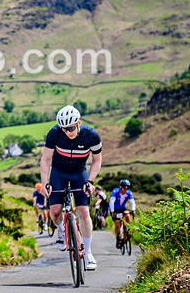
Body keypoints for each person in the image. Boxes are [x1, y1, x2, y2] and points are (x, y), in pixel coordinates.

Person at [39, 105, 103, 270]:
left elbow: (97, 160)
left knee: (84, 212)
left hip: (79, 173)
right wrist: (45, 183)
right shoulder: (54, 133)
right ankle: (61, 230)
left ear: (79, 123)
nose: (68, 132)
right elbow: (46, 159)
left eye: (71, 128)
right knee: (55, 212)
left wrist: (90, 181)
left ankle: (87, 253)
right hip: (58, 172)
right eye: (64, 129)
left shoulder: (91, 136)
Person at [110, 179, 136, 247]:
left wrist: (133, 210)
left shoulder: (129, 193)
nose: (126, 188)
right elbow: (112, 202)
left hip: (122, 208)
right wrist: (112, 211)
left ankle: (127, 230)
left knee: (127, 215)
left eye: (127, 187)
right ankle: (118, 238)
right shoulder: (115, 191)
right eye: (124, 186)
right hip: (115, 209)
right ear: (120, 186)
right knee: (117, 225)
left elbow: (132, 202)